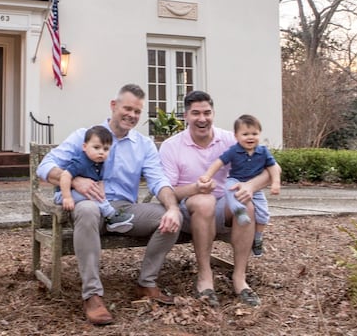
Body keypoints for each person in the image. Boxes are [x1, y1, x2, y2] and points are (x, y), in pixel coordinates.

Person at [37, 84, 182, 325]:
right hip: (88, 207)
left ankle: (146, 283)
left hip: (122, 210)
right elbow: (45, 167)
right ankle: (92, 295)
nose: (132, 115)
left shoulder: (143, 145)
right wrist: (76, 180)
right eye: (127, 108)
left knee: (171, 217)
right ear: (113, 106)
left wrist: (173, 207)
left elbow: (159, 181)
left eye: (137, 111)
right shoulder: (86, 136)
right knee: (87, 209)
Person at [159, 91, 274, 308]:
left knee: (245, 205)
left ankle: (240, 278)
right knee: (205, 201)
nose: (202, 118)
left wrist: (250, 185)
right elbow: (168, 191)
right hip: (190, 209)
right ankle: (205, 277)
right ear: (185, 116)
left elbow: (270, 170)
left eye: (207, 112)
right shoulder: (172, 146)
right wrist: (196, 188)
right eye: (195, 113)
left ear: (213, 113)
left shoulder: (231, 139)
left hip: (225, 204)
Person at [198, 114, 281, 256]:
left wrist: (275, 182)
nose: (250, 137)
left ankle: (258, 238)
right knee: (231, 192)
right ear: (236, 136)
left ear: (259, 134)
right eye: (245, 134)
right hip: (235, 181)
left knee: (263, 212)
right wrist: (207, 175)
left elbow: (273, 167)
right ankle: (239, 211)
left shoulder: (263, 152)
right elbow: (219, 163)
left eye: (254, 134)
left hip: (255, 186)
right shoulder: (234, 150)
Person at [53, 125, 135, 233]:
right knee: (92, 193)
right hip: (63, 195)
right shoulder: (81, 162)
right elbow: (65, 176)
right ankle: (111, 217)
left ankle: (112, 220)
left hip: (79, 195)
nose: (101, 152)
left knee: (96, 193)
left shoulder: (99, 163)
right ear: (84, 147)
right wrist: (67, 197)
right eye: (96, 148)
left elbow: (99, 181)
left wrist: (101, 193)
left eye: (106, 149)